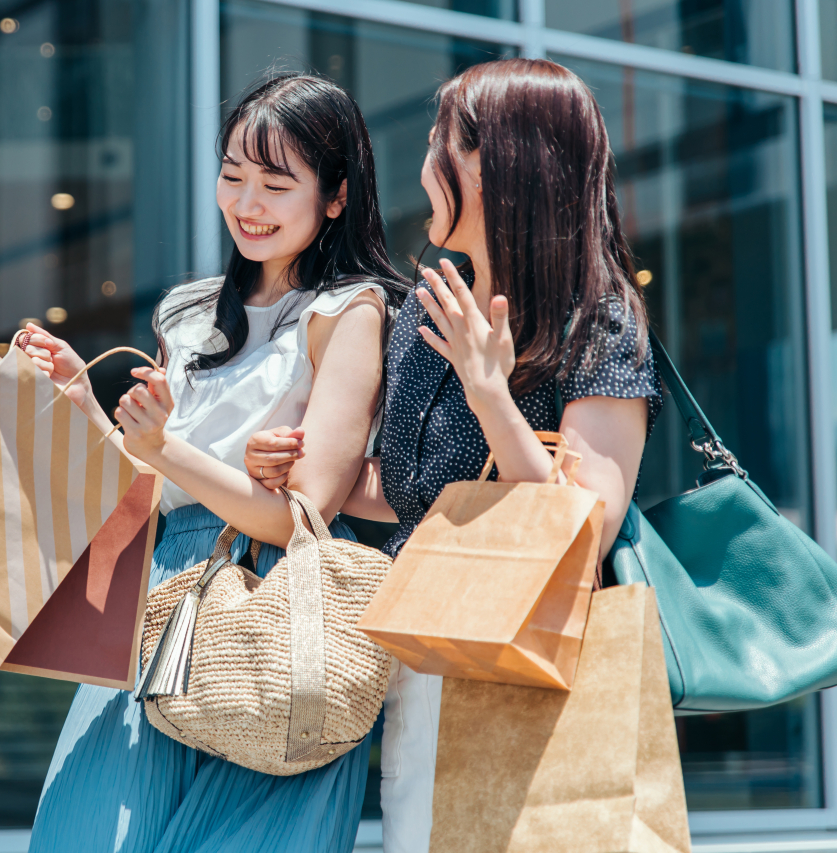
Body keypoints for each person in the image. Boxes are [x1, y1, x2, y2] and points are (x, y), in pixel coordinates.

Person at [244, 58, 664, 853]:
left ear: (495, 163)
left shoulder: (597, 321)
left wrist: (489, 391)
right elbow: (417, 496)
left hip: (533, 675)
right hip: (427, 653)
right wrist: (301, 468)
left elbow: (585, 529)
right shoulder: (429, 306)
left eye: (442, 139)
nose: (425, 160)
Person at [20, 72, 411, 853]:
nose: (247, 203)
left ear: (336, 197)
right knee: (87, 833)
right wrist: (86, 403)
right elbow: (152, 486)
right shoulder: (189, 313)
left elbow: (297, 516)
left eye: (276, 182)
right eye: (233, 176)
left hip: (280, 616)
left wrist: (167, 447)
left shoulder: (351, 313)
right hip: (157, 601)